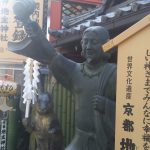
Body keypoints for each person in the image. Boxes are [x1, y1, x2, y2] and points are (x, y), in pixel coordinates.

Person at [9, 18, 116, 149]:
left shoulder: (113, 73)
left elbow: (132, 108)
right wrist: (37, 33)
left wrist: (108, 106)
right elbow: (52, 57)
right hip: (80, 139)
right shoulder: (77, 71)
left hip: (105, 142)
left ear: (105, 44)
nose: (88, 47)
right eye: (85, 42)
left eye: (93, 42)